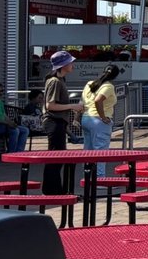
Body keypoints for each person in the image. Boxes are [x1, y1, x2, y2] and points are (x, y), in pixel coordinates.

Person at [41, 51, 82, 194]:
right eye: (70, 62)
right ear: (63, 65)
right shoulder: (55, 81)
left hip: (58, 121)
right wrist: (72, 106)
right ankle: (52, 190)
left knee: (58, 157)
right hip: (54, 121)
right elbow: (50, 105)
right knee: (55, 157)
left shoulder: (59, 80)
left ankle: (55, 189)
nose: (72, 65)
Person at [80, 63, 123, 150]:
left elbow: (82, 101)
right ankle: (99, 164)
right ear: (115, 76)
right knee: (101, 151)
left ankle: (87, 164)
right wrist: (103, 117)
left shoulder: (89, 84)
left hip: (86, 118)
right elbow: (98, 100)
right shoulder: (108, 86)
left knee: (87, 150)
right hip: (99, 121)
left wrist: (77, 116)